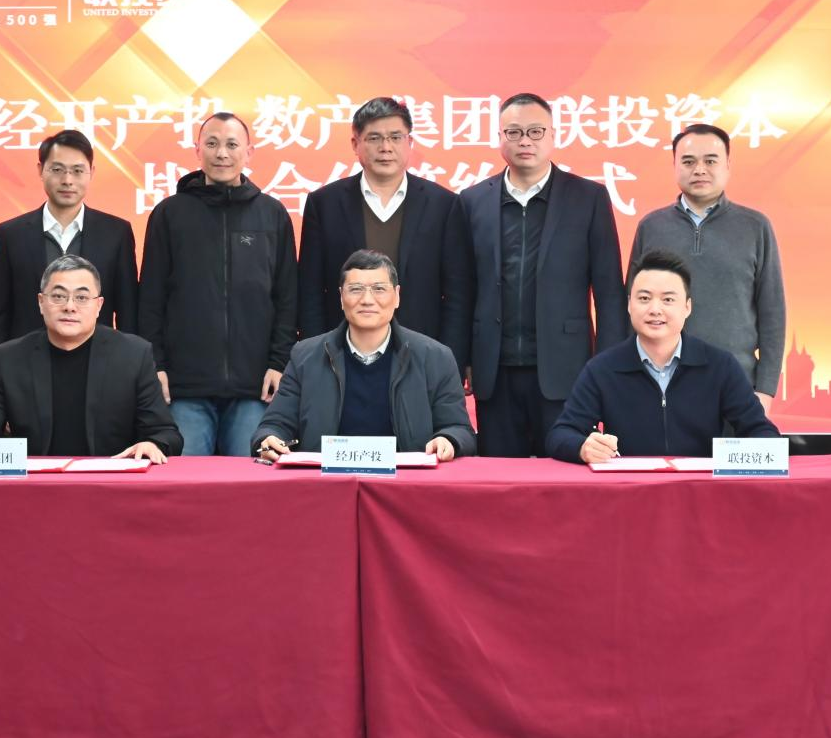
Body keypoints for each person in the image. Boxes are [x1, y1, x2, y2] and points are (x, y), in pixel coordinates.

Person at [460, 92, 628, 456]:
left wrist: (609, 366)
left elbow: (610, 292)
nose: (525, 141)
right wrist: (463, 359)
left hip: (568, 369)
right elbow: (463, 290)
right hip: (494, 371)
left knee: (565, 474)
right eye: (514, 132)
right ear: (500, 137)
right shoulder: (471, 201)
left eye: (536, 131)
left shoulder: (588, 198)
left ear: (553, 135)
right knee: (499, 478)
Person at [137, 112, 297, 455]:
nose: (222, 153)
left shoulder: (272, 214)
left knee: (251, 479)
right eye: (212, 143)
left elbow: (287, 297)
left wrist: (279, 363)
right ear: (198, 150)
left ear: (249, 152)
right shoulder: (170, 214)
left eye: (231, 144)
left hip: (254, 388)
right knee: (185, 481)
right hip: (184, 388)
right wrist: (156, 366)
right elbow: (150, 298)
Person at [547, 249, 778, 463]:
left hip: (700, 488)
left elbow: (762, 431)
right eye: (644, 298)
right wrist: (582, 447)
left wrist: (736, 455)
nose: (655, 310)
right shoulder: (602, 369)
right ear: (629, 305)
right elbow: (561, 434)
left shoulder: (720, 366)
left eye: (668, 299)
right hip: (629, 488)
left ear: (687, 307)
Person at [297, 97, 473, 368]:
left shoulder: (444, 205)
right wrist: (316, 359)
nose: (386, 147)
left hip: (422, 358)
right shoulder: (324, 204)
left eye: (395, 137)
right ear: (355, 144)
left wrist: (451, 363)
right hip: (342, 357)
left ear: (410, 142)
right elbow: (310, 291)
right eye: (374, 138)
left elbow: (457, 295)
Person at [253, 249, 475, 461]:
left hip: (407, 481)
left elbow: (459, 429)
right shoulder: (305, 356)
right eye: (356, 289)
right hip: (326, 481)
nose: (367, 300)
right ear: (341, 297)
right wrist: (269, 438)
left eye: (379, 289)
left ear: (397, 296)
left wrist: (448, 439)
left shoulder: (436, 358)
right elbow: (274, 425)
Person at [0, 254, 182, 461]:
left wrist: (153, 444)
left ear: (99, 305)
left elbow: (165, 433)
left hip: (110, 482)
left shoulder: (133, 355)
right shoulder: (8, 359)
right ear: (41, 302)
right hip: (36, 485)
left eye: (82, 297)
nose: (70, 307)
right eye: (58, 296)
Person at [628, 123, 785, 411]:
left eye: (710, 161)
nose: (699, 170)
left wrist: (765, 390)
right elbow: (634, 308)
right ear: (675, 166)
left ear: (727, 166)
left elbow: (772, 313)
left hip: (736, 384)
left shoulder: (755, 227)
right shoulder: (651, 226)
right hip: (659, 384)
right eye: (688, 162)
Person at [0, 129, 138, 366]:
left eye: (77, 171)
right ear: (40, 170)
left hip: (98, 369)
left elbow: (128, 315)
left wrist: (130, 374)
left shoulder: (116, 233)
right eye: (57, 169)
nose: (67, 180)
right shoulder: (12, 234)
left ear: (91, 172)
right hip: (26, 369)